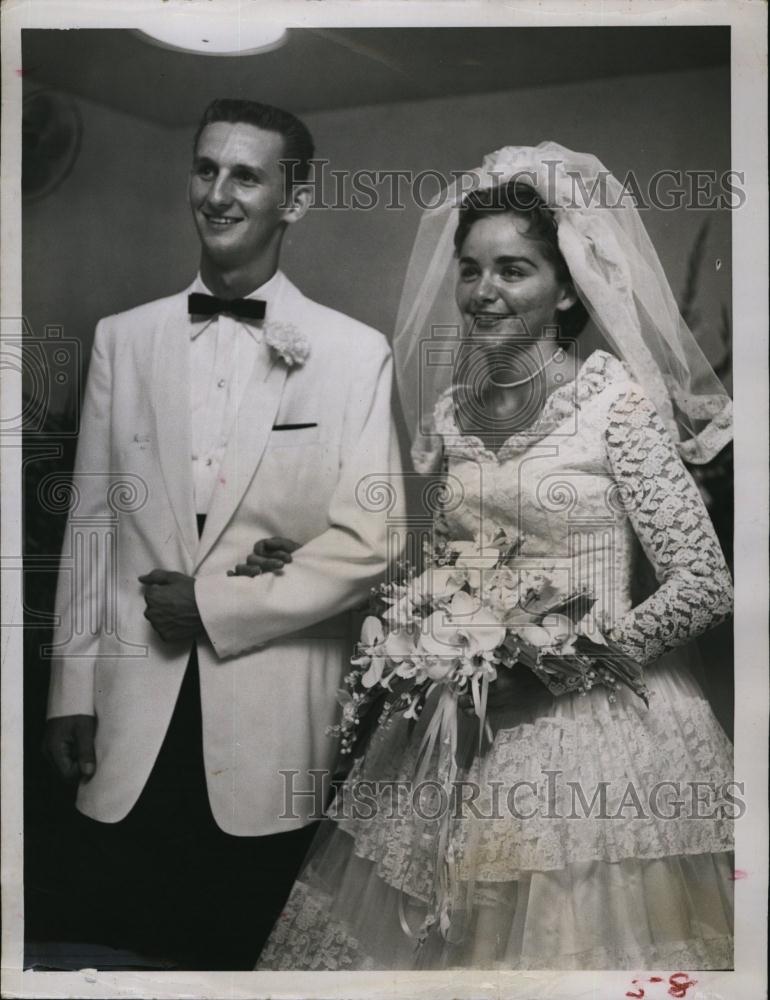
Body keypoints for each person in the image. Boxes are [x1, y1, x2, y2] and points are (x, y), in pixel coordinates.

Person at [252, 143, 735, 970]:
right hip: (455, 729)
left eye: (513, 269)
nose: (484, 293)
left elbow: (702, 584)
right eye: (470, 270)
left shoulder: (614, 401)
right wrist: (310, 565)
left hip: (599, 732)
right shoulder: (451, 411)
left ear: (568, 286)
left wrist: (559, 667)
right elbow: (443, 564)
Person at [42, 98, 403, 970]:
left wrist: (211, 605)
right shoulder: (122, 340)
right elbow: (92, 524)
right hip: (129, 716)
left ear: (296, 199)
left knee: (240, 956)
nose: (218, 192)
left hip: (272, 723)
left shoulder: (355, 353)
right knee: (117, 953)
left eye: (246, 174)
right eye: (205, 169)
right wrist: (70, 690)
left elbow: (372, 541)